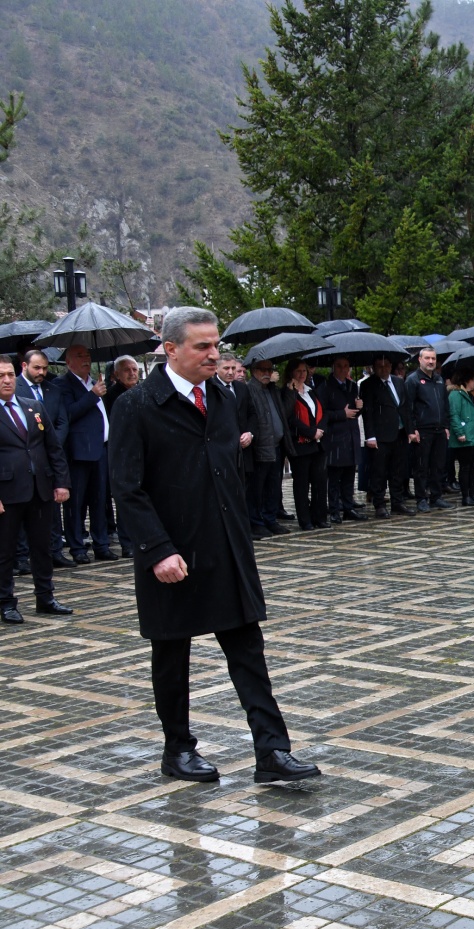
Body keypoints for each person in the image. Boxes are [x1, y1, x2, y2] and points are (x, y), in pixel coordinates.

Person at [109, 307, 320, 785]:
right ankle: (178, 750)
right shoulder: (138, 405)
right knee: (171, 653)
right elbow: (127, 488)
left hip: (226, 545)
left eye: (216, 344)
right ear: (170, 349)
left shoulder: (225, 399)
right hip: (171, 554)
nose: (214, 354)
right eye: (202, 346)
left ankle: (272, 751)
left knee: (248, 649)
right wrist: (158, 550)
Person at [0, 356, 72, 623]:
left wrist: (61, 482)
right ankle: (6, 602)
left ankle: (46, 597)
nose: (7, 380)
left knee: (42, 548)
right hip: (7, 493)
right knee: (5, 551)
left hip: (39, 489)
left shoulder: (33, 407)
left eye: (9, 374)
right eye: (0, 376)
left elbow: (53, 448)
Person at [55, 344, 113, 563]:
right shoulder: (63, 384)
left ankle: (101, 544)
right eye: (80, 356)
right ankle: (77, 547)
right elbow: (67, 414)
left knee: (100, 500)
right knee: (76, 503)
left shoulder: (95, 381)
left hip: (100, 449)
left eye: (88, 355)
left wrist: (96, 391)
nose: (86, 359)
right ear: (69, 362)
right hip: (78, 452)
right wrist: (92, 395)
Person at [360, 354, 414, 516]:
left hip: (399, 433)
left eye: (387, 366)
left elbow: (405, 408)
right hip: (380, 435)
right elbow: (367, 412)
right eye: (380, 366)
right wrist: (370, 436)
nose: (384, 369)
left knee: (398, 470)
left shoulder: (398, 381)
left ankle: (397, 502)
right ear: (374, 367)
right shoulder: (369, 385)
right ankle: (379, 504)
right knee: (379, 471)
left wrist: (410, 430)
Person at [316, 356, 367, 521]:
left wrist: (359, 408)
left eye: (346, 366)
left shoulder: (352, 386)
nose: (343, 370)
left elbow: (353, 412)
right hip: (334, 437)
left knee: (349, 476)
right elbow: (321, 413)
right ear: (333, 367)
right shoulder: (325, 387)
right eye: (339, 366)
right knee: (334, 478)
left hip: (351, 436)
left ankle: (348, 507)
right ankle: (334, 509)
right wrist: (341, 414)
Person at [281, 360, 328, 530]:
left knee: (320, 482)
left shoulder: (311, 391)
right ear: (291, 372)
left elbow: (322, 412)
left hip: (318, 444)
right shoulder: (286, 392)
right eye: (298, 371)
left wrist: (320, 429)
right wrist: (310, 432)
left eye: (304, 371)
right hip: (300, 445)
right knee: (302, 484)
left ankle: (320, 517)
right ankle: (305, 520)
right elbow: (289, 418)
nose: (302, 374)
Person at [244, 359, 288, 538]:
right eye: (263, 369)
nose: (267, 373)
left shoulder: (272, 389)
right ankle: (256, 521)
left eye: (270, 369)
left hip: (276, 445)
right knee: (257, 488)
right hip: (260, 447)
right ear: (253, 370)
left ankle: (270, 519)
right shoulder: (249, 390)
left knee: (274, 486)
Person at [104, 355, 144, 557]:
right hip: (122, 452)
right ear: (116, 374)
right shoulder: (112, 396)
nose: (132, 373)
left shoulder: (143, 393)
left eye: (134, 369)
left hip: (144, 452)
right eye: (127, 370)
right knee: (125, 497)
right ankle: (126, 541)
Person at [405, 347, 451, 512]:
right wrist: (412, 429)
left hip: (439, 429)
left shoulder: (439, 380)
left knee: (438, 465)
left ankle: (436, 496)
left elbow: (445, 406)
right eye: (427, 358)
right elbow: (407, 407)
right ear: (419, 359)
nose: (431, 361)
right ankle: (421, 498)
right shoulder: (413, 380)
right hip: (422, 430)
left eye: (433, 358)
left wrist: (446, 426)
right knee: (421, 467)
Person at [447, 364, 474, 506]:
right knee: (465, 467)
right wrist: (460, 432)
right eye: (473, 379)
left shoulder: (472, 394)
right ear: (465, 380)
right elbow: (454, 414)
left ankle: (472, 494)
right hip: (465, 436)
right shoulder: (456, 394)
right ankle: (465, 496)